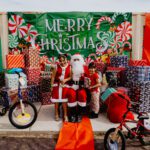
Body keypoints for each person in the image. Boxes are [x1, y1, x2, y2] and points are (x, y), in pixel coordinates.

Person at [67, 54, 89, 122]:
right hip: (72, 85)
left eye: (78, 59)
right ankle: (72, 114)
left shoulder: (84, 68)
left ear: (81, 60)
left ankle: (79, 114)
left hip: (81, 86)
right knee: (71, 95)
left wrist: (85, 84)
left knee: (82, 95)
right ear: (72, 61)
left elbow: (87, 78)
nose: (76, 61)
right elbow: (66, 77)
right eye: (74, 60)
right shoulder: (70, 67)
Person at [51, 54, 71, 122]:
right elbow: (53, 76)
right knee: (56, 101)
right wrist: (51, 86)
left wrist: (65, 80)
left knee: (64, 101)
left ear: (66, 59)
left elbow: (70, 77)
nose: (62, 62)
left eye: (63, 60)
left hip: (65, 85)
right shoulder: (56, 67)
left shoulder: (70, 67)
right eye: (60, 61)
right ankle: (56, 113)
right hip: (57, 85)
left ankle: (65, 115)